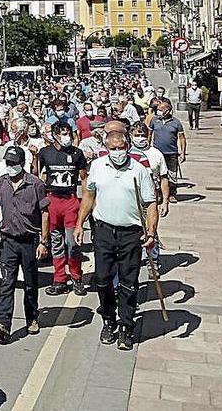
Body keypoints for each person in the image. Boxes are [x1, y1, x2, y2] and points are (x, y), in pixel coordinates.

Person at [75, 132, 158, 351]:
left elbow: (150, 203)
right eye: (113, 148)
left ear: (127, 147)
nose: (117, 152)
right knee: (102, 279)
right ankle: (109, 319)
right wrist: (79, 223)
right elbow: (89, 196)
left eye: (121, 148)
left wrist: (151, 232)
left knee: (128, 283)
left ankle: (126, 326)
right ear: (106, 148)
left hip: (130, 234)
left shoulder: (139, 171)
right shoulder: (98, 167)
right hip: (103, 231)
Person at [0, 146, 50, 343]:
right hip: (8, 241)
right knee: (7, 283)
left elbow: (45, 213)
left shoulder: (35, 184)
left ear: (22, 164)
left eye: (14, 163)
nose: (10, 167)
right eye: (8, 163)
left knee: (30, 284)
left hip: (29, 241)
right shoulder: (1, 183)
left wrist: (44, 241)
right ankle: (4, 323)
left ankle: (32, 317)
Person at [37, 123, 89, 295]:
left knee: (73, 243)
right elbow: (38, 175)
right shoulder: (45, 152)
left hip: (70, 201)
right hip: (52, 200)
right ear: (55, 135)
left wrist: (86, 204)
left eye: (69, 134)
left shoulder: (77, 153)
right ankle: (59, 279)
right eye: (64, 134)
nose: (67, 137)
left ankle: (77, 277)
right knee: (56, 244)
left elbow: (84, 179)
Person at [128, 121, 171, 266]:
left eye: (143, 135)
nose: (141, 138)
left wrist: (165, 201)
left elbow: (164, 178)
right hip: (131, 198)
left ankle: (153, 259)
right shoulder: (127, 154)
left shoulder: (156, 154)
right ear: (131, 135)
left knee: (151, 229)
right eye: (137, 135)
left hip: (150, 198)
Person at [148, 100, 186, 183]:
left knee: (172, 175)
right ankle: (159, 194)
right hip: (157, 153)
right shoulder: (154, 120)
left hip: (171, 153)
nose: (158, 112)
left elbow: (182, 138)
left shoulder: (176, 122)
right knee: (157, 175)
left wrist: (183, 153)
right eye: (157, 110)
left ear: (167, 111)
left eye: (160, 110)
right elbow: (149, 134)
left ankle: (172, 193)